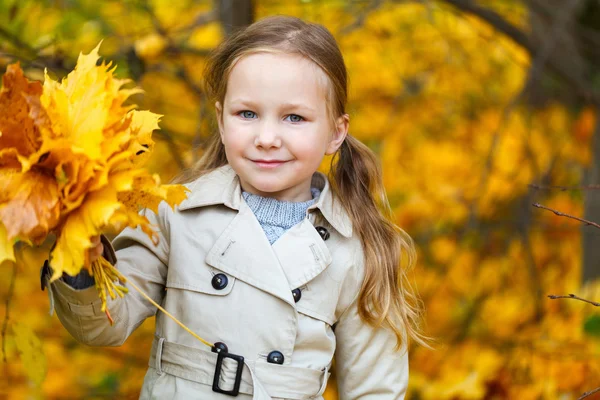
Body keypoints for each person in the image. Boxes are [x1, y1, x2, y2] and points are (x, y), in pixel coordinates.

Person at [42, 15, 427, 400]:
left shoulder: (356, 250)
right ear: (222, 121)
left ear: (335, 132)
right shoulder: (175, 213)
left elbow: (375, 389)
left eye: (294, 118)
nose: (267, 138)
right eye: (247, 114)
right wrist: (79, 258)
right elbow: (103, 323)